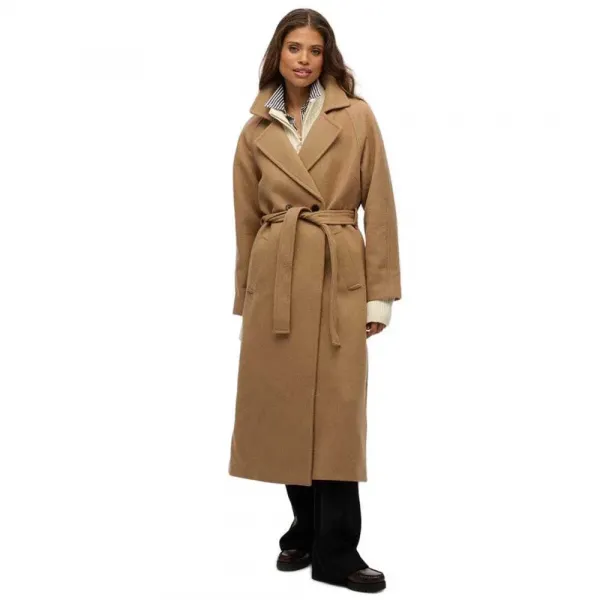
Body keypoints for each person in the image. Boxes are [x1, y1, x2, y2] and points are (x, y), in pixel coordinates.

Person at [228, 8, 401, 594]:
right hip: (275, 281)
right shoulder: (255, 131)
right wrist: (247, 300)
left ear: (328, 57)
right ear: (277, 54)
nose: (304, 59)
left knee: (337, 417)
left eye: (315, 50)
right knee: (284, 410)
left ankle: (337, 551)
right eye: (294, 48)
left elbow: (379, 204)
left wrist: (381, 294)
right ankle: (303, 528)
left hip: (337, 274)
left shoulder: (357, 116)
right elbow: (245, 221)